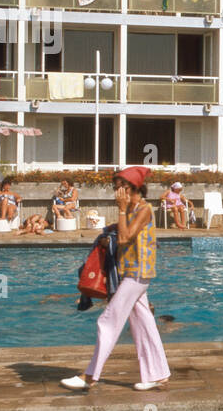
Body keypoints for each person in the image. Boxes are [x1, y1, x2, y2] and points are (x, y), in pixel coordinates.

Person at [60, 167, 171, 393]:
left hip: (139, 272)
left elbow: (124, 237)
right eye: (116, 187)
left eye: (121, 187)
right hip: (130, 272)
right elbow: (119, 235)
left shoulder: (144, 209)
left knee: (107, 321)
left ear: (134, 187)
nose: (117, 191)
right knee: (144, 324)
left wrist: (120, 211)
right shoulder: (130, 209)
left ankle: (90, 376)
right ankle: (157, 375)